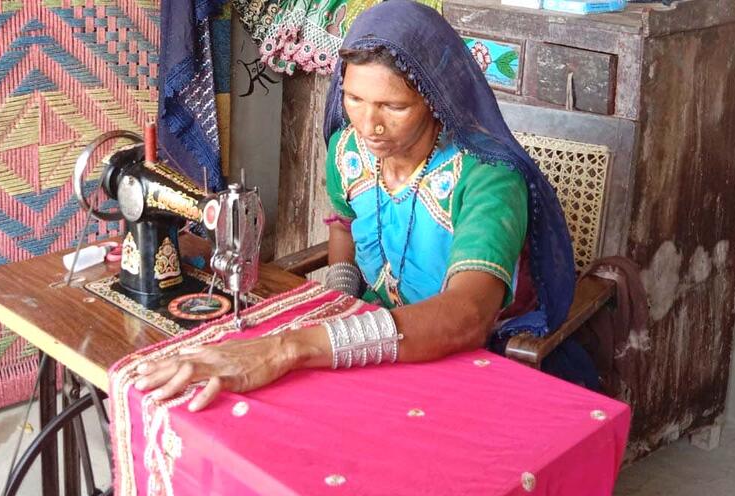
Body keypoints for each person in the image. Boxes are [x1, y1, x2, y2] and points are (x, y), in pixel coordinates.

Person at [135, 0, 583, 411]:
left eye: (394, 106)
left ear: (434, 97)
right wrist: (342, 290)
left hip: (461, 354)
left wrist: (295, 346)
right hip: (373, 331)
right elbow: (344, 225)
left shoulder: (487, 178)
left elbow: (468, 316)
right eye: (353, 99)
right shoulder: (348, 152)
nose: (370, 125)